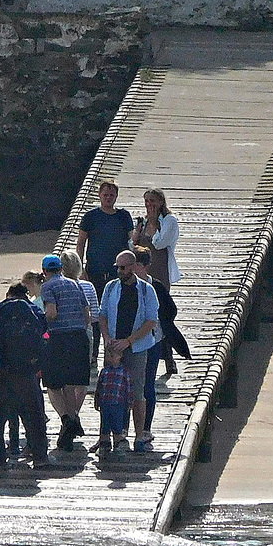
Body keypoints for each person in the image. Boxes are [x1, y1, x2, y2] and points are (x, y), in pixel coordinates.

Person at [0, 282, 50, 469]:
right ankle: (40, 456)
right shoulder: (34, 310)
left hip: (2, 368)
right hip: (27, 370)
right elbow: (42, 334)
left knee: (0, 414)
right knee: (34, 413)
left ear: (8, 293)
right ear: (26, 295)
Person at [98, 250, 159, 454]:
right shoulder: (111, 287)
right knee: (111, 392)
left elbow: (151, 320)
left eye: (122, 268)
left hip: (137, 347)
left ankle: (139, 435)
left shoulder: (146, 290)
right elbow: (103, 314)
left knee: (137, 391)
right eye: (117, 267)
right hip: (114, 346)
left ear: (133, 267)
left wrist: (130, 341)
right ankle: (112, 434)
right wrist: (107, 338)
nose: (119, 271)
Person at [133, 245, 191, 443]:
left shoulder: (156, 287)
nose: (132, 269)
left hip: (152, 342)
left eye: (136, 265)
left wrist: (160, 325)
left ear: (145, 266)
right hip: (128, 343)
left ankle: (146, 429)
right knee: (129, 385)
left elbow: (171, 310)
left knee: (148, 383)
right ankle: (123, 430)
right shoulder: (120, 285)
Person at [39, 253, 91, 451]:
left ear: (45, 272)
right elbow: (87, 315)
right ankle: (71, 422)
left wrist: (41, 323)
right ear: (61, 268)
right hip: (79, 337)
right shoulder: (76, 284)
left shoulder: (48, 287)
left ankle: (67, 420)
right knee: (70, 385)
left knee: (53, 385)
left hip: (59, 338)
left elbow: (51, 313)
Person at [132, 187, 182, 374]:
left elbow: (160, 242)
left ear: (161, 202)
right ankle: (146, 353)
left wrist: (152, 224)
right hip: (142, 271)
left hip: (160, 271)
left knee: (162, 314)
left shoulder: (169, 221)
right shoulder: (142, 221)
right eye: (147, 201)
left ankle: (169, 357)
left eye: (153, 201)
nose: (149, 205)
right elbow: (133, 246)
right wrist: (137, 234)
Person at [77, 180, 135, 300]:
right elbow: (81, 243)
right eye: (105, 195)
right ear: (100, 195)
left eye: (111, 195)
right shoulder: (90, 216)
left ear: (116, 196)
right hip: (95, 269)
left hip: (119, 269)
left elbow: (132, 241)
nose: (108, 198)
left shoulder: (124, 216)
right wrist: (80, 269)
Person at [59, 249, 101, 369]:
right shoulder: (88, 286)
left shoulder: (57, 286)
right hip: (84, 331)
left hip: (62, 332)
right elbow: (95, 315)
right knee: (82, 373)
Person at [90, 348, 134, 455]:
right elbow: (99, 387)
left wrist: (129, 402)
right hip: (105, 402)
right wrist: (97, 400)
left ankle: (118, 445)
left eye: (112, 356)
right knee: (105, 424)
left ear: (120, 356)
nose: (110, 358)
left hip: (118, 403)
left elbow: (129, 388)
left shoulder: (124, 372)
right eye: (108, 356)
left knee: (117, 425)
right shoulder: (104, 371)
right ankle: (104, 445)